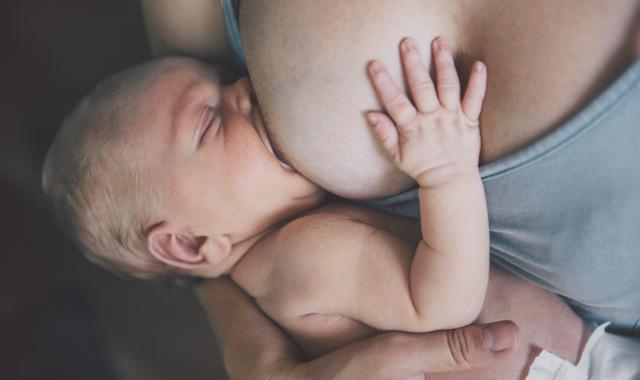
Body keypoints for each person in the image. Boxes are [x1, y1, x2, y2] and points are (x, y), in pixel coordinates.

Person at [141, 0, 640, 378]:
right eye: (208, 121)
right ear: (186, 243)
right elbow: (444, 302)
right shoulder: (295, 257)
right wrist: (446, 174)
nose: (243, 88)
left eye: (222, 84)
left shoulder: (275, 258)